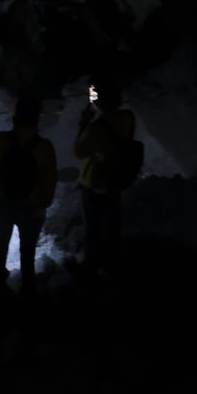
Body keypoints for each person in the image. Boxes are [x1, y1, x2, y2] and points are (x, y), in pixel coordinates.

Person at [0, 93, 57, 286]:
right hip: (33, 207)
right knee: (28, 248)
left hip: (5, 202)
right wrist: (44, 202)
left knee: (1, 241)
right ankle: (27, 283)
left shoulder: (1, 140)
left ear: (16, 115)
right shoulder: (44, 147)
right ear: (37, 117)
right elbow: (49, 179)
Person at [74, 81, 140, 277]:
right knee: (113, 225)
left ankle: (91, 266)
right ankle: (113, 265)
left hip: (95, 183)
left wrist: (84, 123)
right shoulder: (128, 117)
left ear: (101, 103)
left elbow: (79, 151)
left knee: (93, 227)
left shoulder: (96, 128)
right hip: (116, 179)